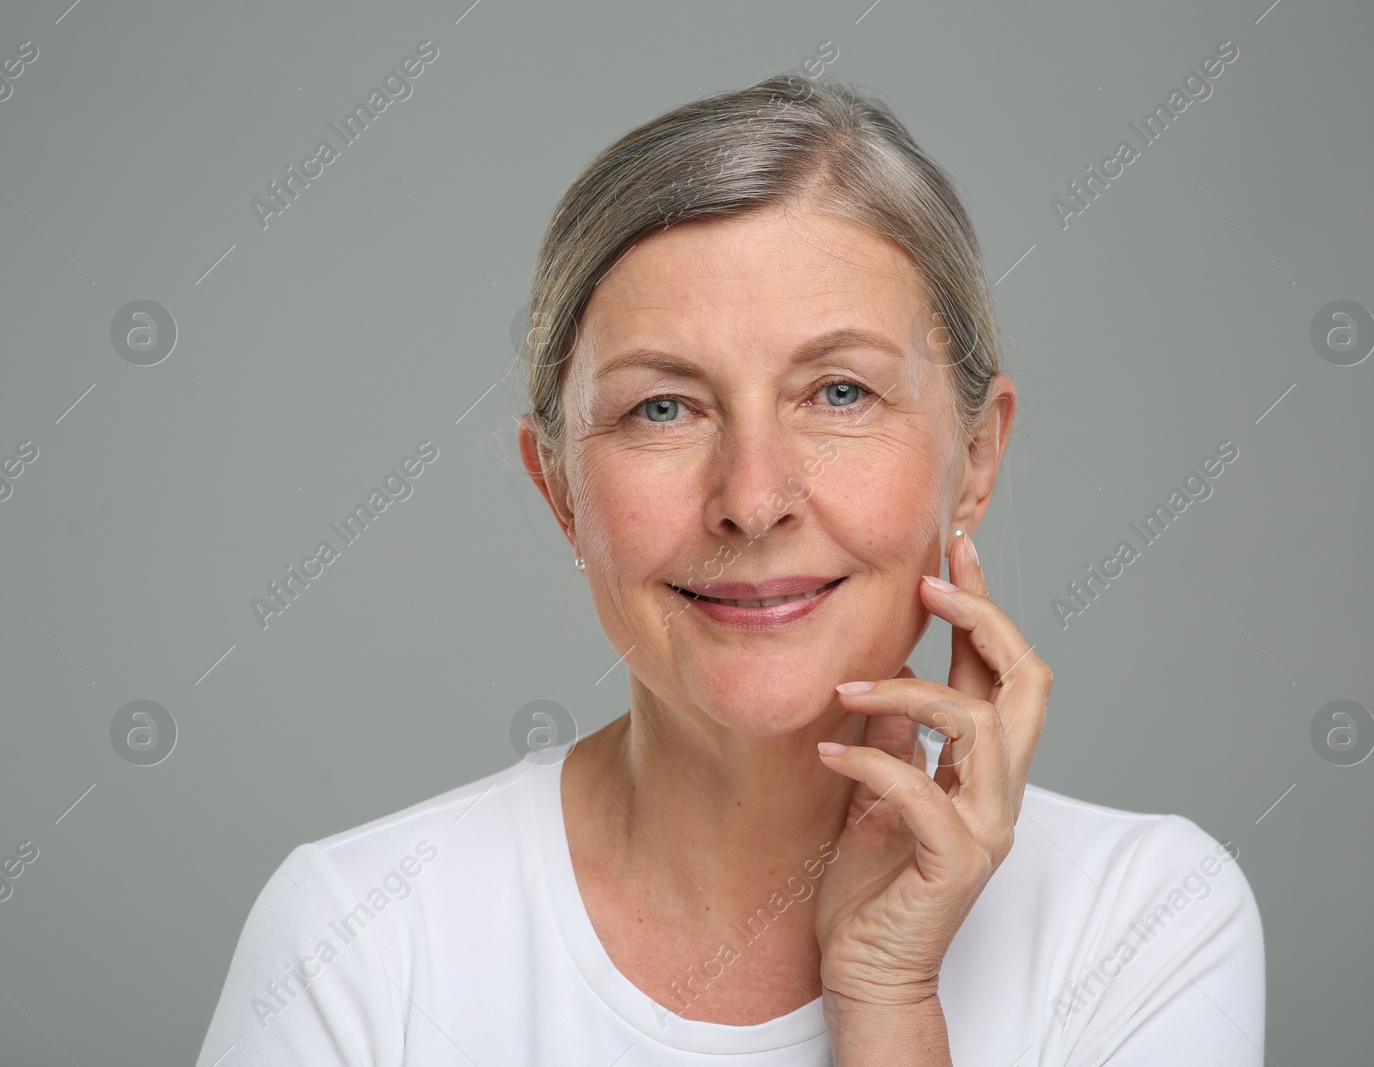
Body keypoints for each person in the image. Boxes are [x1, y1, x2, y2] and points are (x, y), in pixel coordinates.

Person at [196, 73, 1264, 1066]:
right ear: (558, 486)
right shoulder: (356, 932)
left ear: (976, 456)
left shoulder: (1142, 917)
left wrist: (887, 996)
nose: (752, 498)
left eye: (839, 392)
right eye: (663, 406)